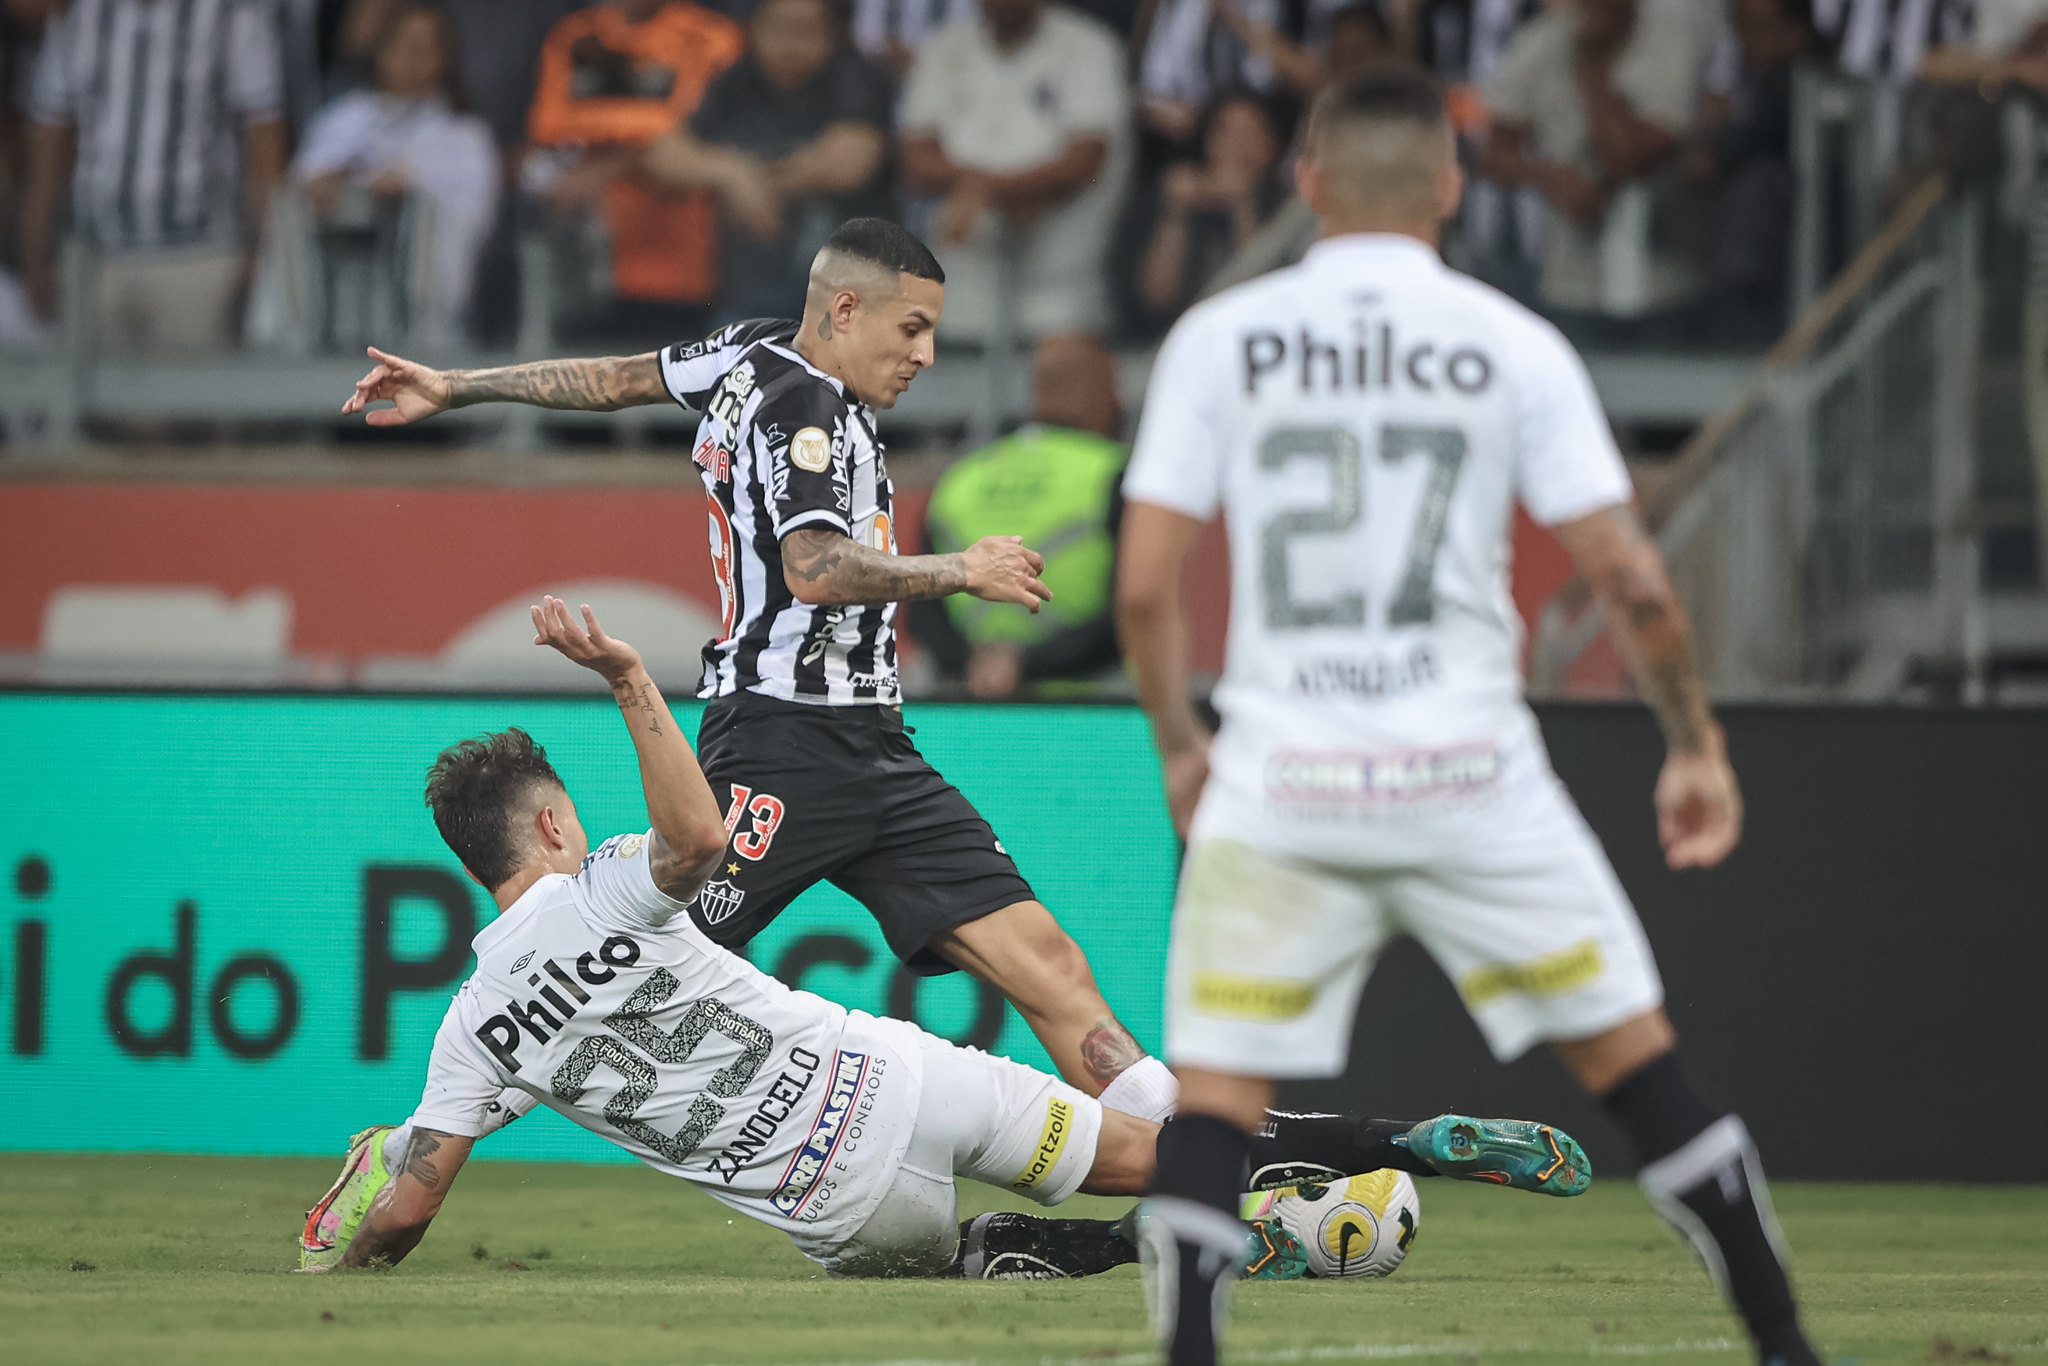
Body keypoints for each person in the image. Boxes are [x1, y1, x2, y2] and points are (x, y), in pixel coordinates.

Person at [1117, 67, 1826, 1366]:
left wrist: (1180, 742)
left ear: (1306, 179)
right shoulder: (1514, 342)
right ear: (1451, 187)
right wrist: (1695, 745)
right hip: (1473, 775)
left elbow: (1146, 583)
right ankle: (1785, 1345)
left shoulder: (1221, 338)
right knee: (1642, 1072)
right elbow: (1631, 579)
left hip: (1287, 780)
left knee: (1217, 1106)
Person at [295, 595, 1593, 1279]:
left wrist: (360, 1249)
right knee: (1159, 1148)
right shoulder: (615, 879)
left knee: (981, 1257)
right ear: (554, 821)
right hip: (909, 1080)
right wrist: (637, 683)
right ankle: (1386, 1151)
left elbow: (413, 1204)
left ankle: (1177, 1246)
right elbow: (697, 845)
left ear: (474, 864)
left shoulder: (474, 1030)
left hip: (848, 1208)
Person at [337, 218, 1183, 1124]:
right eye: (913, 330)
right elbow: (813, 566)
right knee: (623, 971)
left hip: (878, 755)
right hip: (780, 741)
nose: (929, 354)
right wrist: (961, 571)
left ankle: (1188, 1160)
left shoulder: (743, 350)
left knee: (1044, 960)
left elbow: (615, 380)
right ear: (847, 309)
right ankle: (436, 1131)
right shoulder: (803, 408)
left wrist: (457, 387)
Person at [22, 0, 287, 353]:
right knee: (97, 404)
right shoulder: (77, 15)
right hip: (97, 255)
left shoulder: (231, 13)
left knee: (194, 401)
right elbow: (49, 142)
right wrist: (36, 251)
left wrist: (263, 256)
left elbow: (267, 149)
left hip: (199, 259)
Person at [644, 0, 894, 324]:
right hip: (746, 293)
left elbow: (852, 160)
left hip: (846, 301)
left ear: (834, 33)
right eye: (775, 29)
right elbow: (664, 155)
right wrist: (732, 174)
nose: (788, 45)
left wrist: (764, 182)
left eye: (803, 31)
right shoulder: (738, 79)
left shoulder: (856, 77)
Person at [897, 0, 1130, 343]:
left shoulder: (1089, 46)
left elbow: (1086, 163)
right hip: (962, 286)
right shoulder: (943, 47)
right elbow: (914, 161)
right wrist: (991, 188)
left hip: (1061, 287)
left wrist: (982, 189)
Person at [908, 334, 1129, 697]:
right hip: (1093, 719)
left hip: (976, 712)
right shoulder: (1115, 474)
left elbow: (922, 614)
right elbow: (1133, 610)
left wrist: (980, 663)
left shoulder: (960, 480)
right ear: (1106, 393)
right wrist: (1027, 663)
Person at [1482, 0, 1704, 338]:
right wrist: (1548, 176)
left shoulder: (1670, 39)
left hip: (1661, 280)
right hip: (1569, 280)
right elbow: (1495, 151)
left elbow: (1627, 158)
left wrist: (1592, 63)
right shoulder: (1543, 40)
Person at [525, 0, 745, 339]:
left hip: (684, 265)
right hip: (585, 264)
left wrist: (608, 155)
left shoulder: (711, 36)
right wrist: (644, 139)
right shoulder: (575, 36)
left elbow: (687, 130)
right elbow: (550, 125)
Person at [293, 5, 501, 345]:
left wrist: (407, 189)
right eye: (402, 45)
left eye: (425, 48)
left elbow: (475, 218)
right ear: (380, 51)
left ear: (445, 58)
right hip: (340, 316)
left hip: (428, 326)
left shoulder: (465, 137)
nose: (412, 58)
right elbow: (300, 192)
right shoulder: (342, 120)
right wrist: (340, 189)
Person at [1137, 89, 1287, 323]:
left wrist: (1243, 207)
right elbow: (1155, 300)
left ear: (1274, 144)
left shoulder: (1292, 208)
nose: (1238, 146)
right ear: (1206, 140)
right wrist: (1176, 213)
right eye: (1225, 132)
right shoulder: (1175, 191)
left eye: (1252, 133)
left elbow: (1265, 299)